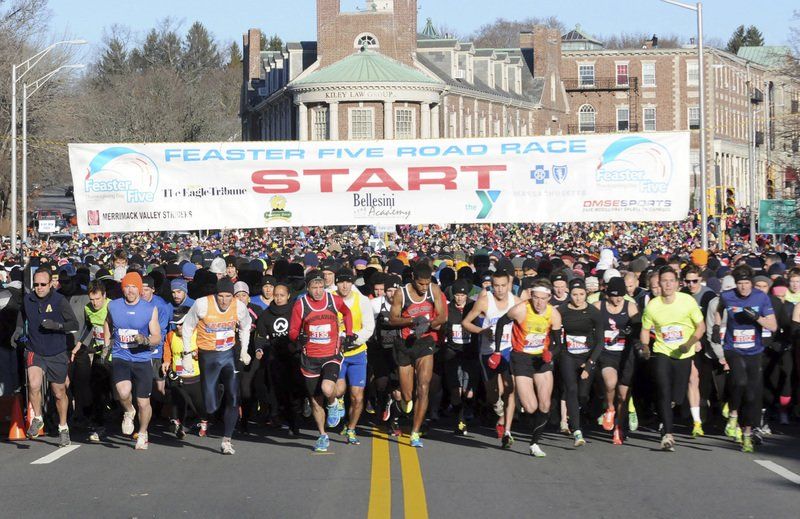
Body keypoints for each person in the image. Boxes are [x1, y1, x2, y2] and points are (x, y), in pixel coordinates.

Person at [181, 278, 252, 455]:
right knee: (211, 406)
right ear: (216, 294)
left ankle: (227, 440)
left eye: (228, 296)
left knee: (235, 398)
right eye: (221, 296)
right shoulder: (202, 304)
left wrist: (244, 350)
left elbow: (246, 326)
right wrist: (188, 354)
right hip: (208, 355)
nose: (224, 300)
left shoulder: (239, 306)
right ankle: (217, 393)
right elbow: (188, 327)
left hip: (228, 354)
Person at [640, 266, 706, 452]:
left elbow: (700, 327)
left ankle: (668, 412)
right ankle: (667, 434)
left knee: (676, 397)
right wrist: (645, 347)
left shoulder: (687, 301)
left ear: (677, 284)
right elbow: (645, 330)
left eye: (671, 281)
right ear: (659, 284)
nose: (667, 284)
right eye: (664, 281)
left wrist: (690, 343)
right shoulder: (653, 305)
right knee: (663, 389)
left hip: (684, 353)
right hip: (662, 351)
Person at [495, 278, 562, 457]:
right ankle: (523, 423)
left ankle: (534, 444)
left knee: (545, 404)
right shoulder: (520, 310)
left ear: (549, 298)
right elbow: (501, 323)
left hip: (542, 358)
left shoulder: (553, 314)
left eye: (543, 298)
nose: (539, 302)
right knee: (531, 406)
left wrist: (551, 354)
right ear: (531, 296)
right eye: (536, 298)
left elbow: (558, 344)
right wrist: (496, 351)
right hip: (521, 358)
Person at [288, 270, 354, 452]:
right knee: (316, 401)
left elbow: (347, 313)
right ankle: (322, 435)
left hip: (331, 353)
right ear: (307, 288)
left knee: (327, 388)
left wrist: (348, 334)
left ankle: (333, 403)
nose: (318, 291)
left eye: (320, 287)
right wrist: (298, 338)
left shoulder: (333, 300)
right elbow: (293, 330)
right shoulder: (301, 304)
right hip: (310, 358)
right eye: (314, 287)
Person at [715, 265, 777, 453]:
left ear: (751, 283)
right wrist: (717, 327)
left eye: (746, 283)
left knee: (751, 395)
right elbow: (718, 310)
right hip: (732, 348)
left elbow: (773, 326)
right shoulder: (727, 296)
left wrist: (757, 317)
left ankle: (747, 435)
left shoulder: (761, 297)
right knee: (740, 381)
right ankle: (733, 412)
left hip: (754, 350)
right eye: (740, 283)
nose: (743, 288)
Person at [19, 268, 79, 446]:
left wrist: (57, 325)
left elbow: (73, 324)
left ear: (51, 284)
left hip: (56, 352)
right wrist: (18, 333)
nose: (39, 288)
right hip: (34, 349)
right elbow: (22, 319)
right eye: (36, 284)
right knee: (34, 384)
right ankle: (37, 418)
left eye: (43, 284)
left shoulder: (59, 300)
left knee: (59, 392)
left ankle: (63, 427)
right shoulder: (28, 300)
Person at [390, 262, 447, 448]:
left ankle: (415, 432)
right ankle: (396, 406)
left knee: (423, 387)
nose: (424, 287)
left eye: (427, 283)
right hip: (405, 344)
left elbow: (442, 316)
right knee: (407, 396)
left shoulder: (434, 290)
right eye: (421, 284)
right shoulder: (401, 293)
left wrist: (429, 324)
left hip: (425, 343)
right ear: (413, 280)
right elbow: (392, 319)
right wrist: (412, 321)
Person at [102, 272, 161, 450]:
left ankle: (142, 433)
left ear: (140, 289)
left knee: (143, 402)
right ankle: (129, 411)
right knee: (122, 392)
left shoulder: (149, 309)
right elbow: (107, 322)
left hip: (142, 358)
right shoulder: (114, 306)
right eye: (127, 286)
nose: (130, 290)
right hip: (122, 355)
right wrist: (107, 345)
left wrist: (145, 340)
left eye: (134, 286)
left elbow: (157, 336)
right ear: (122, 288)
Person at [462, 269, 518, 448]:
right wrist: (482, 332)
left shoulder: (516, 302)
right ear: (491, 286)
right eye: (496, 286)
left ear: (509, 285)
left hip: (509, 350)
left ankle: (507, 430)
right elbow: (466, 323)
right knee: (493, 394)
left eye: (503, 285)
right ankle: (498, 409)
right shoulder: (485, 302)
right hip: (488, 352)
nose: (500, 290)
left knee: (510, 388)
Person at [557, 278, 604, 447]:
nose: (578, 298)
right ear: (570, 294)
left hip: (587, 356)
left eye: (581, 294)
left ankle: (575, 412)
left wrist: (590, 363)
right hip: (567, 355)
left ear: (586, 294)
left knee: (582, 394)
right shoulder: (561, 310)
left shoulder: (593, 312)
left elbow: (600, 342)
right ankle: (577, 431)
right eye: (575, 294)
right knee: (571, 389)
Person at [594, 277, 640, 445]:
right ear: (607, 294)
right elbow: (586, 321)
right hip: (606, 354)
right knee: (610, 382)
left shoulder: (630, 307)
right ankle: (610, 408)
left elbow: (639, 325)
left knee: (623, 395)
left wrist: (632, 329)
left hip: (625, 355)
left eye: (621, 295)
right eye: (614, 296)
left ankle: (619, 428)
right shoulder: (599, 307)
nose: (618, 299)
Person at [331, 268, 375, 445]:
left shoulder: (362, 301)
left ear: (352, 283)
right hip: (336, 353)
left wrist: (354, 338)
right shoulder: (330, 298)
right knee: (339, 390)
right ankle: (338, 401)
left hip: (357, 352)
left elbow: (369, 327)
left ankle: (351, 428)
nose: (344, 285)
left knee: (358, 396)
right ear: (337, 283)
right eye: (341, 281)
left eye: (348, 282)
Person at [255, 283, 303, 436]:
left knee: (295, 391)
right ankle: (280, 417)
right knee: (279, 392)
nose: (279, 298)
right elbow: (261, 336)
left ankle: (296, 422)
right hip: (275, 358)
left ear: (288, 296)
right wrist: (259, 348)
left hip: (295, 356)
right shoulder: (266, 314)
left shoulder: (295, 310)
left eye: (282, 295)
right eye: (276, 295)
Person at [73, 280, 111, 442]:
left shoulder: (112, 307)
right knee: (97, 390)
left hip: (116, 354)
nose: (95, 303)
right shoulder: (88, 309)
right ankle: (99, 426)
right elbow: (88, 327)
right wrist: (78, 346)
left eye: (98, 299)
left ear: (104, 296)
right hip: (99, 353)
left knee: (119, 392)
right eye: (92, 299)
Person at [161, 305, 206, 439]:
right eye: (176, 325)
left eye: (181, 324)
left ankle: (203, 421)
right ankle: (178, 424)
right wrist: (167, 360)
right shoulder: (171, 335)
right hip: (177, 375)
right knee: (177, 400)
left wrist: (197, 354)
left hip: (195, 376)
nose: (178, 328)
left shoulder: (199, 334)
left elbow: (206, 351)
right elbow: (167, 347)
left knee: (198, 403)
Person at [444, 279, 478, 436]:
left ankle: (468, 409)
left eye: (463, 295)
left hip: (470, 353)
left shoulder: (473, 307)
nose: (460, 298)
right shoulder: (447, 309)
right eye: (457, 295)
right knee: (456, 391)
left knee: (468, 392)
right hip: (453, 353)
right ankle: (460, 420)